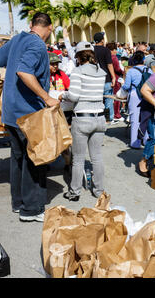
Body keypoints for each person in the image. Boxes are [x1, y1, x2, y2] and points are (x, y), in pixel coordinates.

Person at [0, 12, 59, 223]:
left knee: (18, 158)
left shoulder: (17, 39)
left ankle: (18, 202)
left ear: (32, 24)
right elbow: (24, 71)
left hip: (11, 112)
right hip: (28, 113)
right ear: (49, 28)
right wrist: (47, 97)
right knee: (34, 158)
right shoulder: (38, 44)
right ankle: (31, 209)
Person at [59, 42, 107, 201]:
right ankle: (99, 191)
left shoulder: (78, 71)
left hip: (82, 118)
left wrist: (62, 95)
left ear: (78, 56)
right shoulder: (101, 72)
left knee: (78, 160)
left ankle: (74, 192)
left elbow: (74, 96)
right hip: (100, 117)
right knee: (97, 157)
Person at [123, 51, 150, 149]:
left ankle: (135, 142)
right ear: (144, 60)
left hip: (134, 95)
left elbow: (126, 86)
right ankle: (146, 140)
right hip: (147, 95)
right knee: (145, 118)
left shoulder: (131, 71)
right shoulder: (149, 70)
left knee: (134, 119)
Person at [93, 32, 116, 123]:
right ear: (102, 40)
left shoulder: (91, 50)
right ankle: (108, 118)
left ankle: (97, 117)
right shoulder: (106, 50)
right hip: (106, 78)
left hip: (95, 79)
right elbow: (109, 65)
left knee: (96, 99)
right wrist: (113, 77)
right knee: (108, 99)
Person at [107, 42, 125, 124]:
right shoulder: (114, 58)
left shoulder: (106, 56)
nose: (116, 51)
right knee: (116, 98)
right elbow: (117, 69)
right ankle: (116, 114)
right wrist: (124, 72)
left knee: (108, 98)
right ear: (113, 50)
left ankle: (109, 114)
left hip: (108, 79)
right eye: (116, 49)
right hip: (116, 78)